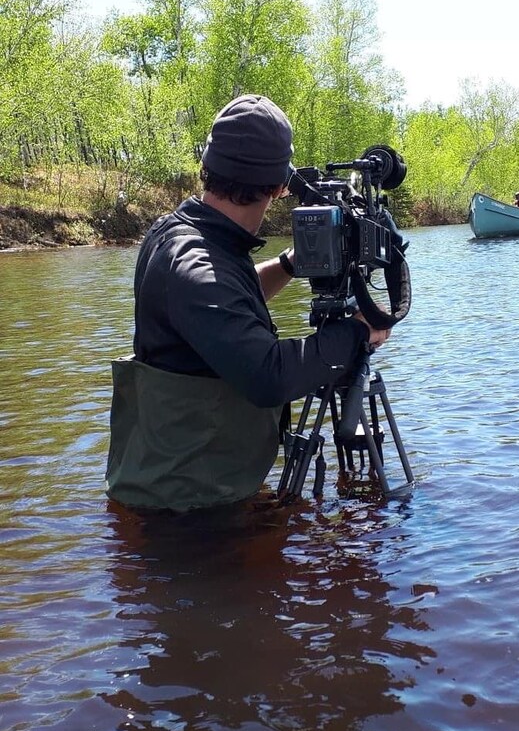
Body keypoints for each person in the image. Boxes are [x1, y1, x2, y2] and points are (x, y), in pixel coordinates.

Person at [106, 94, 391, 512]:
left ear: (207, 167)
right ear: (278, 188)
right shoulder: (195, 264)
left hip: (180, 487)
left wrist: (293, 263)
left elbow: (227, 300)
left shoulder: (182, 235)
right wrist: (357, 333)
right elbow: (269, 377)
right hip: (181, 512)